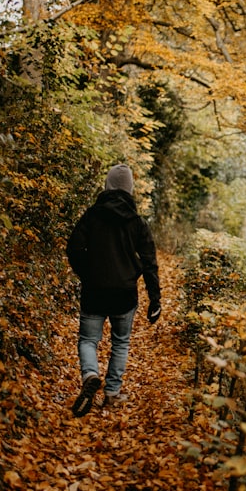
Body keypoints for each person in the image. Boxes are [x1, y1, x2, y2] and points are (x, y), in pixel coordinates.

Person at [66, 164, 161, 417]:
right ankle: (112, 394)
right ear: (130, 189)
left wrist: (88, 273)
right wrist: (155, 299)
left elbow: (73, 248)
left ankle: (90, 374)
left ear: (107, 186)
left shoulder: (92, 216)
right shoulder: (137, 222)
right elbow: (150, 262)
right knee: (120, 342)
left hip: (94, 291)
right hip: (124, 294)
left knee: (88, 340)